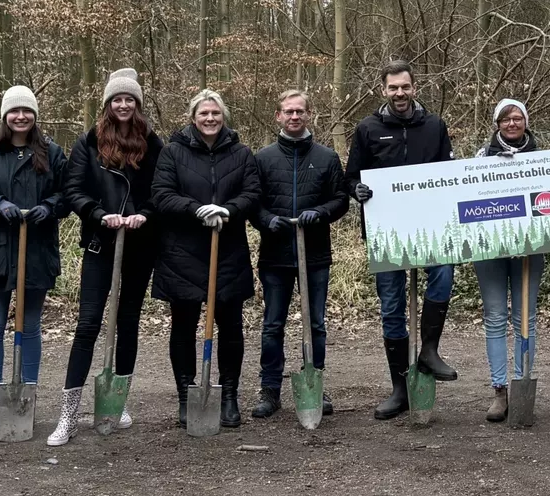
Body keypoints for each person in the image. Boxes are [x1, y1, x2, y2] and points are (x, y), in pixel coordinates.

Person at [51, 69, 163, 445]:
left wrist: (145, 213)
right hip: (101, 243)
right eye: (117, 99)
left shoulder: (151, 142)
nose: (123, 105)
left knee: (127, 322)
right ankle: (68, 414)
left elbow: (161, 187)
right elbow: (73, 188)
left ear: (137, 104)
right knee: (88, 324)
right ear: (108, 103)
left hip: (139, 244)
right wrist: (99, 214)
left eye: (129, 99)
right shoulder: (89, 141)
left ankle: (116, 401)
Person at [346, 59, 459, 419]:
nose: (399, 93)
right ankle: (399, 388)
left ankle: (429, 350)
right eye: (393, 87)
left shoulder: (434, 126)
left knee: (444, 270)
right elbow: (350, 178)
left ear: (414, 87)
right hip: (386, 231)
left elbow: (449, 173)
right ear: (383, 90)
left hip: (430, 227)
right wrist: (358, 190)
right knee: (392, 307)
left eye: (405, 87)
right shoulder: (367, 128)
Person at [0, 85, 68, 432]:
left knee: (30, 325)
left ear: (35, 115)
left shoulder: (51, 152)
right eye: (14, 111)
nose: (21, 116)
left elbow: (69, 194)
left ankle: (26, 398)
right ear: (5, 115)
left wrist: (48, 208)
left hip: (36, 250)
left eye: (27, 111)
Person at [150, 89, 263, 430]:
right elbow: (161, 195)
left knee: (230, 327)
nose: (210, 118)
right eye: (204, 114)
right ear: (193, 118)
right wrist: (195, 209)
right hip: (182, 252)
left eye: (215, 113)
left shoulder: (242, 153)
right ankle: (187, 396)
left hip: (227, 251)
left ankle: (228, 396)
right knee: (183, 326)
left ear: (223, 116)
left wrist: (228, 210)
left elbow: (253, 193)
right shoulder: (172, 152)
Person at [251, 89, 349, 419]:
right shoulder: (263, 158)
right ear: (278, 116)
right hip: (276, 255)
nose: (294, 117)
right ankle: (270, 389)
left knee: (316, 324)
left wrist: (320, 212)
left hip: (315, 254)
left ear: (309, 115)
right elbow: (253, 204)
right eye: (288, 112)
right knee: (272, 325)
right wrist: (268, 221)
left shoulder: (326, 157)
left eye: (300, 112)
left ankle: (314, 383)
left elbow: (341, 200)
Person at [473, 98, 545, 423]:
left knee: (525, 317)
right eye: (506, 119)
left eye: (518, 118)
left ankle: (522, 384)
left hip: (531, 248)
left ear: (526, 122)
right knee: (495, 316)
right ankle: (499, 390)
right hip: (490, 249)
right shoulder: (481, 158)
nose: (512, 124)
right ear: (497, 124)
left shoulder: (542, 158)